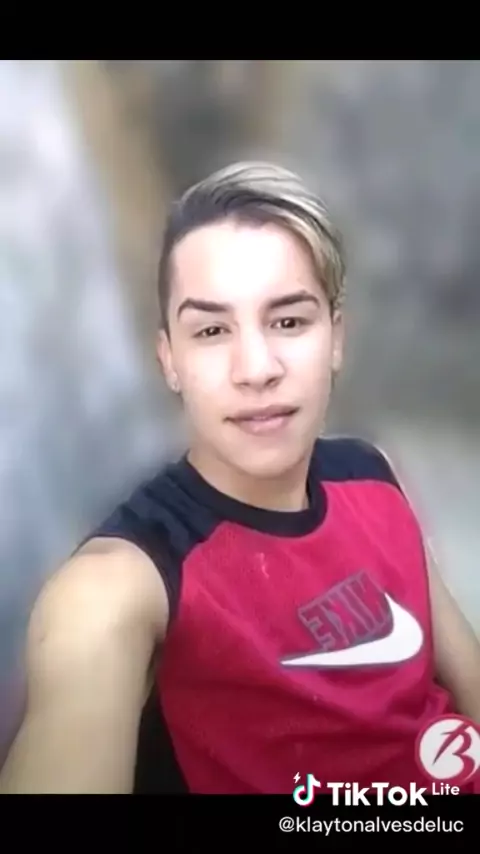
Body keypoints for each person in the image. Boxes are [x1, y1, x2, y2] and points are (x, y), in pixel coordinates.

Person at [1, 161, 479, 795]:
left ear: (336, 338)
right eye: (211, 331)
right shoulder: (118, 587)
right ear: (169, 360)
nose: (256, 369)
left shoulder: (373, 474)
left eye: (288, 321)